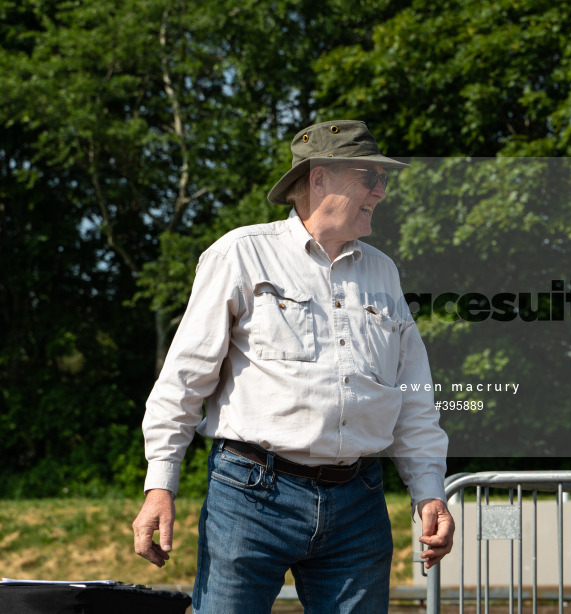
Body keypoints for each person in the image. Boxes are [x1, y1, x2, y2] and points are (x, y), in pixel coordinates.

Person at [132, 120, 454, 614]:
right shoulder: (240, 253)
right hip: (250, 495)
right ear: (319, 178)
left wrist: (429, 492)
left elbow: (413, 396)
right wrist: (160, 485)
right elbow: (183, 380)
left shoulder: (383, 272)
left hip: (358, 503)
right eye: (369, 177)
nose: (381, 192)